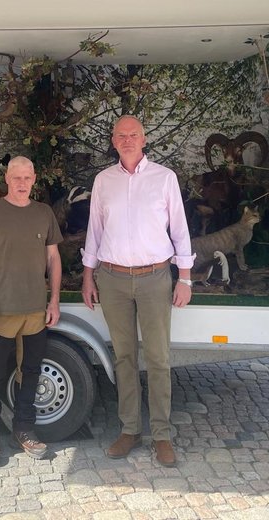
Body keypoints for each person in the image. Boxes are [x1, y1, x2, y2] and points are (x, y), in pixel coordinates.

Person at [81, 114, 194, 467]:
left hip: (154, 278)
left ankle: (161, 435)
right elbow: (94, 231)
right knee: (124, 357)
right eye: (121, 135)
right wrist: (88, 276)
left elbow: (179, 229)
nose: (127, 140)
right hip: (112, 279)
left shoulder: (164, 178)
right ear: (113, 141)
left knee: (158, 358)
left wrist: (185, 278)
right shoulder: (103, 181)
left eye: (133, 134)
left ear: (144, 140)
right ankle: (130, 430)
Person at [0, 156, 62, 466]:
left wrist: (54, 300)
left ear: (34, 179)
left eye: (27, 177)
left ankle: (24, 429)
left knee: (31, 371)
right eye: (16, 178)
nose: (22, 183)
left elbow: (54, 259)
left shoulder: (43, 213)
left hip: (35, 310)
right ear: (7, 180)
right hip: (1, 312)